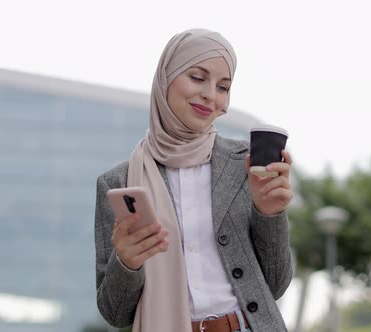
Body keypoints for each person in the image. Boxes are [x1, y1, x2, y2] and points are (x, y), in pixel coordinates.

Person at [94, 28, 294, 332]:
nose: (210, 95)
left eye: (223, 87)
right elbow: (115, 313)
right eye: (198, 78)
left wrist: (270, 214)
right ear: (165, 79)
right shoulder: (118, 183)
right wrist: (126, 263)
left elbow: (276, 285)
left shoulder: (245, 164)